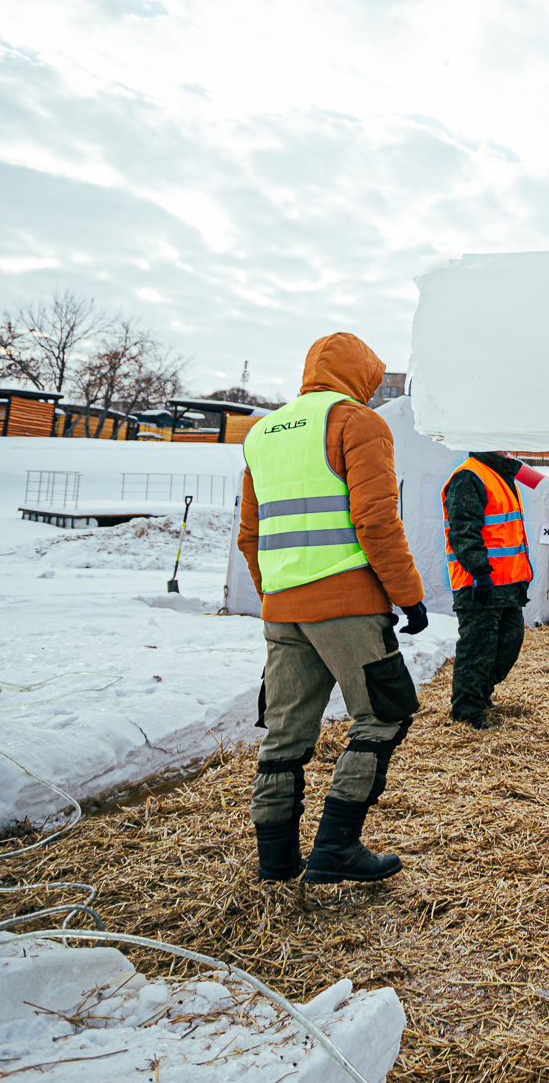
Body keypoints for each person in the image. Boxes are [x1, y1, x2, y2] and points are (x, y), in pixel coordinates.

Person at [238, 333, 427, 886]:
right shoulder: (356, 423)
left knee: (284, 732)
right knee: (383, 714)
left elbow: (250, 535)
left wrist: (275, 594)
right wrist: (407, 595)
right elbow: (375, 521)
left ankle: (275, 863)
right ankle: (337, 847)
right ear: (363, 376)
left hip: (283, 609)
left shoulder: (262, 432)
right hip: (346, 603)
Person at [444, 450, 534, 730]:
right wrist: (479, 571)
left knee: (508, 645)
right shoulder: (469, 476)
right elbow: (463, 531)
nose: (507, 448)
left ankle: (481, 694)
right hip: (479, 585)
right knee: (477, 651)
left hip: (508, 585)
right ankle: (466, 712)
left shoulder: (503, 476)